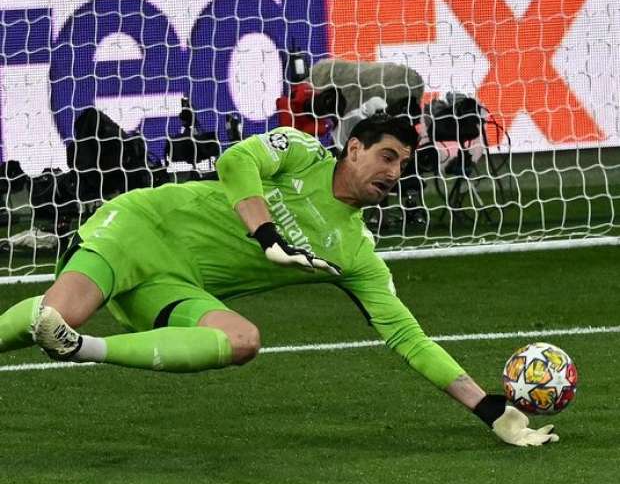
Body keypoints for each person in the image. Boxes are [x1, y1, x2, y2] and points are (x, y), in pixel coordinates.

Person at [0, 115, 557, 447]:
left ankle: (81, 348)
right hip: (139, 227)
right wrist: (266, 234)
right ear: (354, 149)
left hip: (176, 285)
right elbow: (235, 162)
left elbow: (406, 337)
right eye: (386, 157)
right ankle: (63, 329)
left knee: (243, 341)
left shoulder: (356, 253)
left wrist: (490, 410)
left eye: (402, 166)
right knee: (58, 314)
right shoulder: (301, 152)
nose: (393, 173)